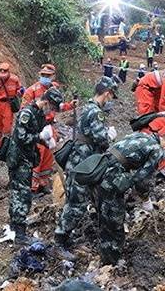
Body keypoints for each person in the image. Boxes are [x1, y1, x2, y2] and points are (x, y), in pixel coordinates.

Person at [89, 130, 165, 265]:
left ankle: (105, 256)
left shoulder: (143, 136)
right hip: (110, 180)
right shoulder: (156, 150)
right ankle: (111, 262)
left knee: (104, 218)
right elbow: (142, 180)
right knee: (115, 223)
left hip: (98, 170)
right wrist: (146, 199)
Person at [54, 77, 118, 256]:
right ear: (107, 93)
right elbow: (101, 138)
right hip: (82, 163)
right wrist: (109, 135)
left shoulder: (88, 108)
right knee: (77, 204)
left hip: (83, 161)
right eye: (111, 96)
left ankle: (66, 237)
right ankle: (60, 240)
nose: (110, 100)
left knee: (79, 199)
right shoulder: (95, 112)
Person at [5, 88, 64, 244]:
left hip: (28, 156)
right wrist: (39, 137)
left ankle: (14, 225)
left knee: (19, 192)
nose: (51, 111)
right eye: (51, 107)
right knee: (22, 194)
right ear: (46, 102)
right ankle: (20, 234)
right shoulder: (27, 114)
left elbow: (40, 131)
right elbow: (21, 136)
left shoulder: (39, 114)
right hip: (19, 158)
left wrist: (46, 141)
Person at [22, 64, 76, 194]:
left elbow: (58, 107)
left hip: (50, 125)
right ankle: (33, 187)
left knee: (48, 157)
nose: (45, 78)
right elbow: (23, 110)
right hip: (37, 127)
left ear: (53, 76)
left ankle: (43, 183)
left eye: (48, 76)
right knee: (37, 156)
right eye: (43, 75)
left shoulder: (54, 89)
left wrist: (70, 105)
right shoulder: (32, 90)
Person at [0, 62, 23, 148]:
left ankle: (6, 145)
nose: (2, 72)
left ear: (8, 70)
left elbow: (20, 89)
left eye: (4, 70)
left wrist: (20, 92)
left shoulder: (14, 79)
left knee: (7, 125)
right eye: (1, 70)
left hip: (8, 103)